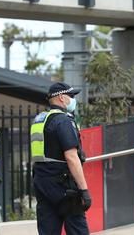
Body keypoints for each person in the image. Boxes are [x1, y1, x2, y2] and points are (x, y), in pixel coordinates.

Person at [31, 82, 91, 235]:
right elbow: (71, 156)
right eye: (71, 96)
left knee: (48, 231)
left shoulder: (40, 120)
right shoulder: (63, 120)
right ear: (62, 98)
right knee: (78, 230)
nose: (73, 100)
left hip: (42, 182)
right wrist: (84, 189)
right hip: (64, 186)